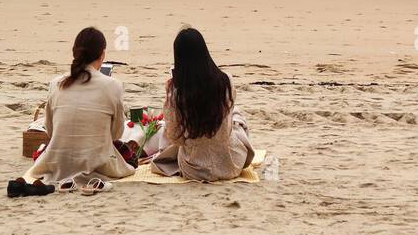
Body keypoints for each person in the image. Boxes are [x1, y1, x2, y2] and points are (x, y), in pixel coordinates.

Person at [23, 26, 135, 190]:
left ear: (75, 52)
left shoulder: (56, 84)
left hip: (58, 161)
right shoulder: (113, 85)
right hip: (98, 163)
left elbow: (51, 131)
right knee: (130, 158)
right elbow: (116, 134)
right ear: (102, 55)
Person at [153, 27, 254, 181]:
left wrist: (170, 96)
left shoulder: (177, 92)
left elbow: (175, 138)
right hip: (230, 165)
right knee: (237, 116)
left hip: (194, 169)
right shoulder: (226, 81)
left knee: (166, 129)